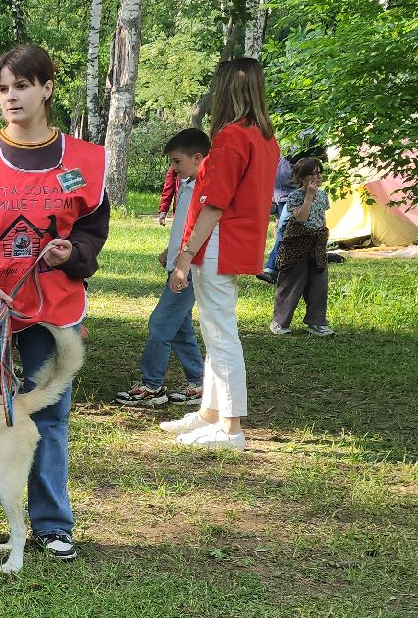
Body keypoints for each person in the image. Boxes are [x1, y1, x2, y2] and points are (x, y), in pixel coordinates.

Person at [0, 43, 108, 562]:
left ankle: (52, 524)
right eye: (3, 89)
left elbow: (94, 226)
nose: (11, 97)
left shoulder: (84, 161)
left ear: (47, 88)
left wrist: (73, 251)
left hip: (53, 307)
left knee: (47, 415)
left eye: (22, 86)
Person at [162, 58, 282, 451]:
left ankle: (231, 428)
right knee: (216, 330)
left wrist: (184, 255)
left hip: (218, 241)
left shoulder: (232, 136)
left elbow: (214, 204)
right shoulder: (265, 136)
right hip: (235, 241)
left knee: (221, 334)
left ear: (227, 90)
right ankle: (211, 414)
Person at [117, 128, 210, 408]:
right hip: (178, 265)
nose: (173, 168)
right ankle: (199, 382)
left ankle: (151, 386)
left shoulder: (206, 188)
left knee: (160, 323)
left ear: (197, 158)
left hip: (190, 268)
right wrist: (170, 253)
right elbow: (186, 225)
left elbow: (204, 230)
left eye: (177, 162)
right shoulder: (187, 185)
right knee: (179, 327)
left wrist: (183, 261)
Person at [270, 156, 334, 336]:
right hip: (297, 242)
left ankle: (317, 322)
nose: (318, 177)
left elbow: (320, 217)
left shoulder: (323, 195)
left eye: (320, 173)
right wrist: (309, 196)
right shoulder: (294, 196)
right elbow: (301, 217)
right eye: (313, 173)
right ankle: (280, 322)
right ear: (301, 177)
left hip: (317, 242)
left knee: (318, 282)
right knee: (291, 282)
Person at [256, 153, 297, 284]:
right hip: (283, 197)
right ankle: (275, 269)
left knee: (284, 231)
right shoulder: (280, 152)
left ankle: (272, 268)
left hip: (293, 197)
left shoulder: (301, 147)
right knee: (284, 232)